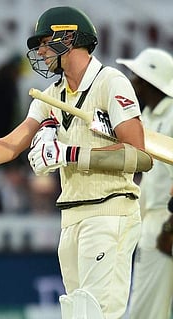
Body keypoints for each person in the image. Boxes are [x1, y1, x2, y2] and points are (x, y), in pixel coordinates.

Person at [0, 6, 153, 319]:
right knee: (77, 313)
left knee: (97, 313)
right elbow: (13, 143)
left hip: (109, 211)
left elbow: (140, 155)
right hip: (71, 216)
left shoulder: (110, 82)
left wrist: (69, 154)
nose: (39, 50)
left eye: (44, 41)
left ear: (69, 37)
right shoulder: (52, 94)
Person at [116, 48, 173, 319]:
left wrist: (170, 228)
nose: (132, 81)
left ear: (151, 81)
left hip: (165, 223)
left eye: (136, 76)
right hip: (153, 222)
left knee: (145, 313)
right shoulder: (147, 117)